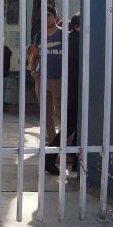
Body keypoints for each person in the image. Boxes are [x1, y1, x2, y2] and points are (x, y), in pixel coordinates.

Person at [46, 12, 81, 175]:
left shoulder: (71, 39)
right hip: (76, 91)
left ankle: (75, 161)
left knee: (75, 126)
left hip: (72, 89)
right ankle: (49, 158)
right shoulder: (76, 41)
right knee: (70, 126)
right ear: (76, 26)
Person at [28, 5, 62, 147]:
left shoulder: (63, 34)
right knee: (47, 115)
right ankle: (52, 143)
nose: (46, 18)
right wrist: (33, 71)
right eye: (44, 16)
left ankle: (66, 144)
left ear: (55, 17)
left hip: (59, 80)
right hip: (42, 80)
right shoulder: (39, 36)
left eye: (49, 15)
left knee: (61, 114)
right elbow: (35, 56)